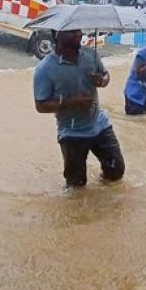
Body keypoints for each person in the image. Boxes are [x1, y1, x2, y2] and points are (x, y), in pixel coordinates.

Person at [33, 29, 125, 187]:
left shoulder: (91, 55)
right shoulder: (45, 69)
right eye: (72, 32)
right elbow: (40, 105)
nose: (78, 34)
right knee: (76, 186)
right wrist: (72, 102)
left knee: (116, 172)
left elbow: (106, 75)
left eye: (78, 31)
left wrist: (101, 81)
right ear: (57, 36)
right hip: (72, 132)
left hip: (100, 124)